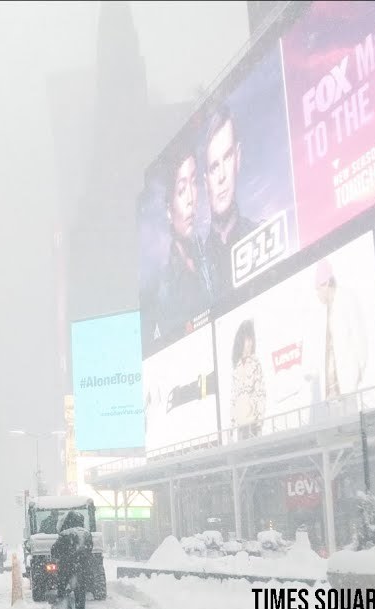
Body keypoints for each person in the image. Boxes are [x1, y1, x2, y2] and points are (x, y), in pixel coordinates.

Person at [142, 148, 212, 346]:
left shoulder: (207, 253)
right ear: (168, 210)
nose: (191, 198)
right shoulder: (165, 287)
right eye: (181, 190)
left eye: (194, 183)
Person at [203, 105, 259, 294]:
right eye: (213, 167)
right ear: (205, 183)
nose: (221, 177)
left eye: (227, 158)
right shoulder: (197, 271)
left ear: (238, 158)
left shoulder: (259, 237)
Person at [311, 260, 368, 410]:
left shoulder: (347, 297)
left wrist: (357, 373)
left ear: (327, 284)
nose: (317, 294)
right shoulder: (324, 312)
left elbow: (359, 336)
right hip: (331, 393)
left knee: (354, 428)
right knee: (338, 432)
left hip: (347, 385)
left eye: (318, 289)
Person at [50, 510, 94, 609]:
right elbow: (89, 550)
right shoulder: (87, 534)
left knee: (62, 594)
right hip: (83, 570)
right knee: (80, 596)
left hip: (66, 569)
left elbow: (54, 551)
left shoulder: (64, 534)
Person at [230, 319, 266, 440]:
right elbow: (234, 398)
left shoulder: (256, 364)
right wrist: (232, 424)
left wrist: (260, 423)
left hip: (252, 423)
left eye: (251, 340)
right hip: (240, 425)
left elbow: (260, 394)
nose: (250, 343)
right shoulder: (237, 367)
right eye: (247, 340)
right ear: (241, 341)